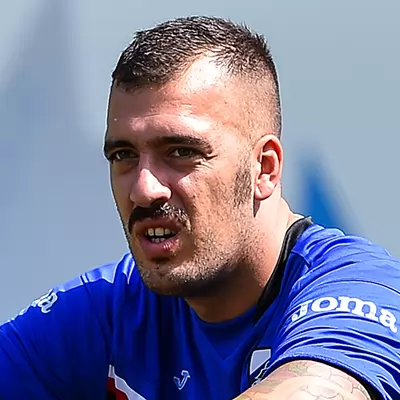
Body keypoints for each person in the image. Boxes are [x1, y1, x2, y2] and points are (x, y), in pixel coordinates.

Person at [0, 15, 398, 400]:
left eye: (180, 152)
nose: (144, 189)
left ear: (264, 168)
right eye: (124, 155)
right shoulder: (110, 310)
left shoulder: (361, 290)